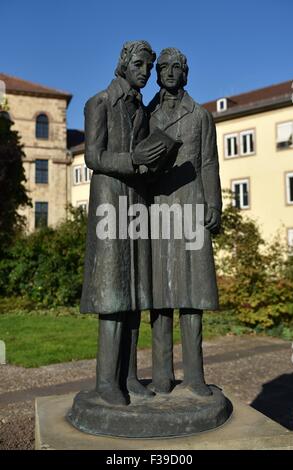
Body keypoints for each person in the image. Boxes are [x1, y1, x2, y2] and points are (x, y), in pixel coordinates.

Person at [80, 41, 167, 405]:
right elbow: (93, 156)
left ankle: (129, 376)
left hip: (136, 204)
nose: (145, 71)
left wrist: (154, 162)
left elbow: (142, 158)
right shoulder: (99, 102)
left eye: (149, 66)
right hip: (110, 201)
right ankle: (105, 382)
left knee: (135, 296)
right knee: (114, 296)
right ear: (124, 64)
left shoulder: (141, 112)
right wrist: (133, 160)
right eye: (139, 64)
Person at [148, 48, 222, 396]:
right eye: (164, 67)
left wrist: (214, 204)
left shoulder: (201, 116)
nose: (171, 72)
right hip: (159, 207)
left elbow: (209, 162)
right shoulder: (147, 114)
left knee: (192, 293)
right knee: (161, 295)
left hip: (192, 205)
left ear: (185, 73)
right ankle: (162, 374)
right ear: (158, 73)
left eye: (177, 67)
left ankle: (194, 375)